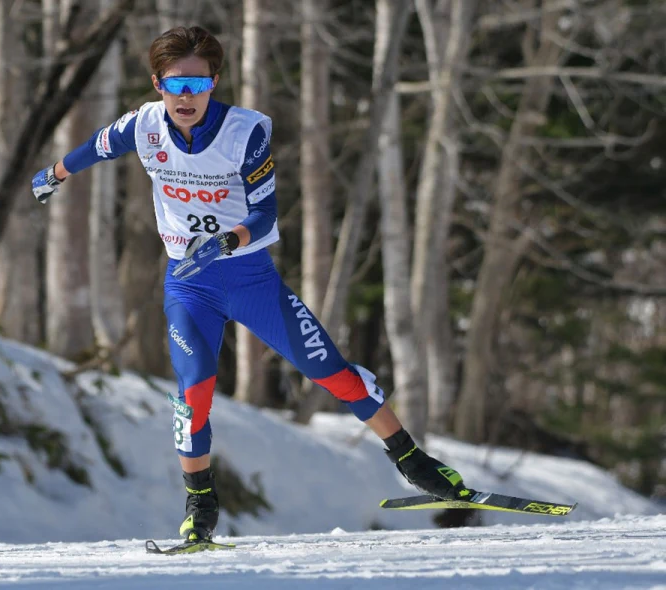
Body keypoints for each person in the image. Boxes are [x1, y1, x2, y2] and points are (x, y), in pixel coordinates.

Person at [32, 26, 469, 543]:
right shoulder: (143, 125)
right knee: (191, 395)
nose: (187, 96)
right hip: (189, 286)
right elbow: (96, 148)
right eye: (176, 85)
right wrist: (55, 173)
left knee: (332, 373)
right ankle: (200, 503)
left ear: (214, 83)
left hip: (249, 279)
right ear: (157, 85)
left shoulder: (245, 132)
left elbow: (264, 214)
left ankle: (412, 460)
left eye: (198, 84)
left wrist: (227, 241)